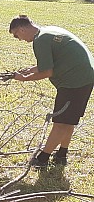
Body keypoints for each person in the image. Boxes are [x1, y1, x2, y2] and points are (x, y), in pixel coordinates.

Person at [9, 15, 94, 167]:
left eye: (17, 35)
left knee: (61, 122)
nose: (19, 39)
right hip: (86, 77)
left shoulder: (40, 41)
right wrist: (31, 70)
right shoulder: (48, 31)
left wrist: (22, 78)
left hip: (74, 81)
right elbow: (54, 61)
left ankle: (43, 158)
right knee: (69, 119)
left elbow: (47, 72)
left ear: (22, 29)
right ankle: (62, 154)